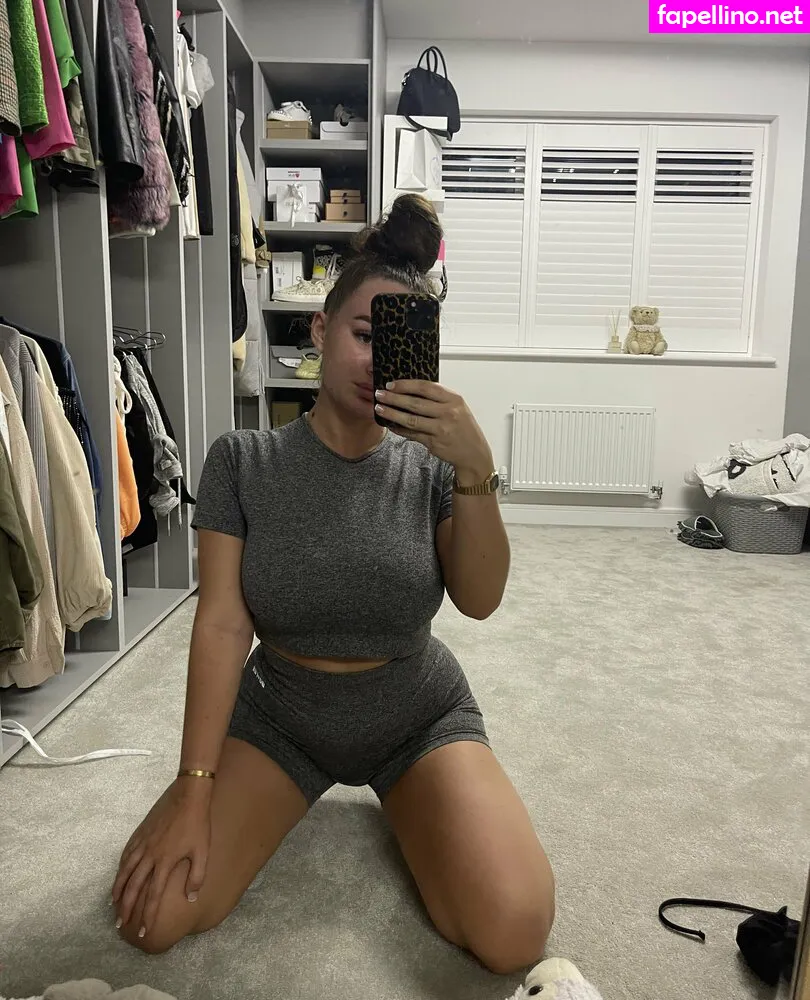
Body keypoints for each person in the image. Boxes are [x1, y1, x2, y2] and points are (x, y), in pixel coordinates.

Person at [111, 194, 555, 974]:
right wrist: (193, 785)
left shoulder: (434, 468)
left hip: (415, 711)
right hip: (281, 714)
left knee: (514, 931)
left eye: (397, 342)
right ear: (319, 330)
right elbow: (221, 626)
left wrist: (477, 467)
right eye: (362, 334)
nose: (378, 360)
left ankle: (413, 805)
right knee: (152, 915)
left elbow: (480, 600)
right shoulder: (242, 462)